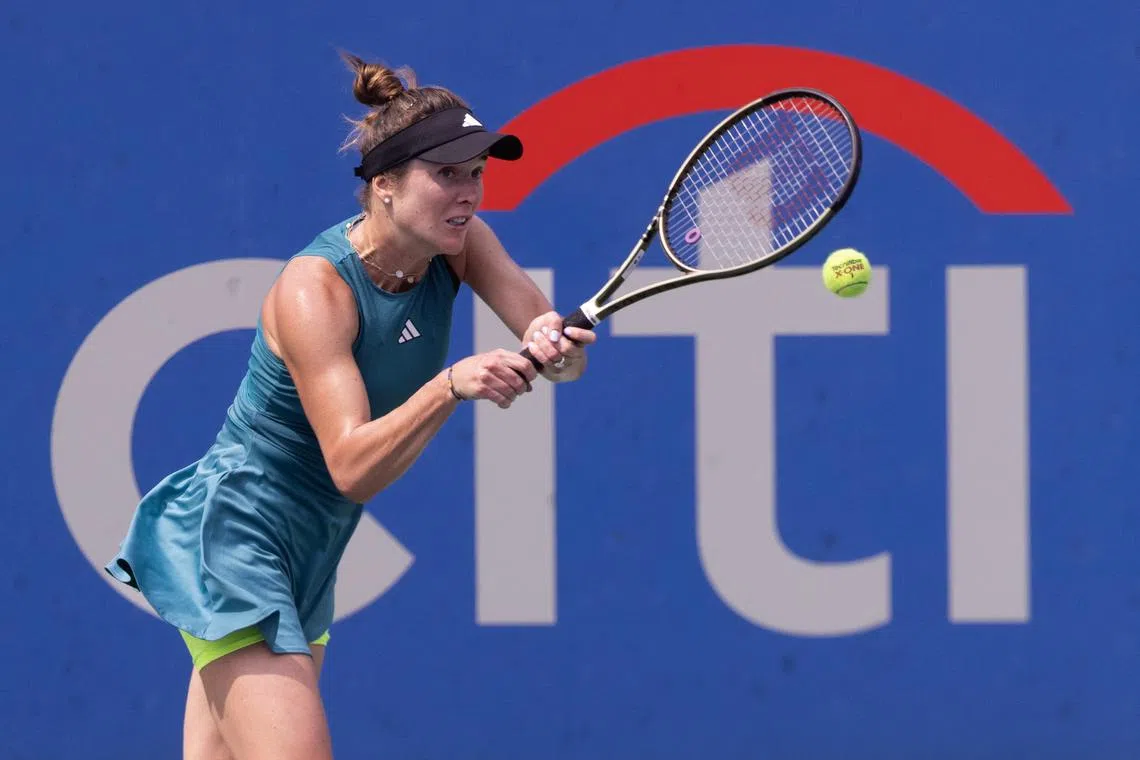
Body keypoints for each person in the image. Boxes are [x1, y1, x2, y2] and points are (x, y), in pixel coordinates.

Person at [104, 51, 595, 760]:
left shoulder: (463, 245)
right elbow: (351, 466)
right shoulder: (315, 290)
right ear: (384, 185)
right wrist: (449, 385)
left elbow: (557, 354)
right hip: (235, 536)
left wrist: (558, 349)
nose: (468, 193)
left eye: (476, 173)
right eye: (447, 174)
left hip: (311, 553)